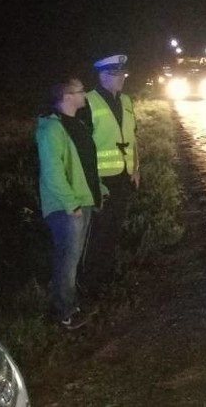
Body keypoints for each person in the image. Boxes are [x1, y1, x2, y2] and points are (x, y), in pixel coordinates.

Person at [36, 77, 102, 329]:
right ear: (67, 97)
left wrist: (97, 190)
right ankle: (65, 312)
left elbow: (85, 165)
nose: (85, 94)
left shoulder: (78, 124)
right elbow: (53, 172)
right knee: (67, 257)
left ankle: (71, 301)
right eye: (80, 91)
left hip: (80, 201)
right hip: (65, 207)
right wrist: (70, 203)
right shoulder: (51, 129)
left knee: (72, 258)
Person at [79, 54, 139, 289]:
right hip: (101, 179)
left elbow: (133, 137)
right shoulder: (87, 103)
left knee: (114, 229)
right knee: (97, 232)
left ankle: (105, 276)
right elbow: (81, 147)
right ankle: (88, 282)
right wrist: (90, 181)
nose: (122, 79)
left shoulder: (126, 100)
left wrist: (136, 168)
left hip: (124, 177)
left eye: (124, 74)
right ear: (103, 75)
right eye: (117, 75)